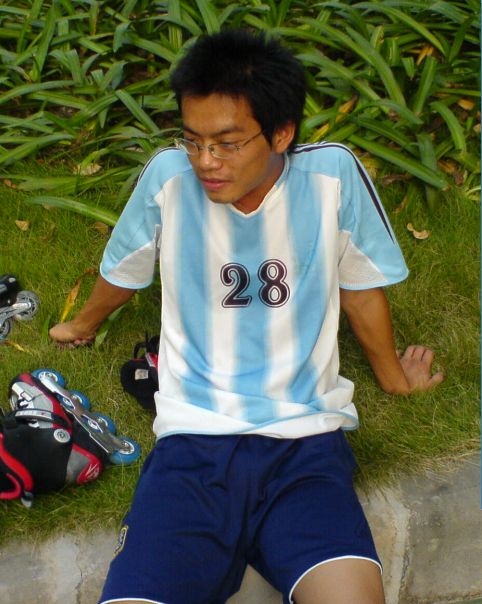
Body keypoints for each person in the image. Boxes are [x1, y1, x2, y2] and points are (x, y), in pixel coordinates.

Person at [50, 29, 444, 604]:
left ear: (281, 133)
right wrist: (81, 325)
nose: (206, 161)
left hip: (306, 446)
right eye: (193, 140)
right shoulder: (168, 179)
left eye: (227, 143)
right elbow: (126, 268)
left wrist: (394, 379)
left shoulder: (332, 177)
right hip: (191, 447)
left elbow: (361, 287)